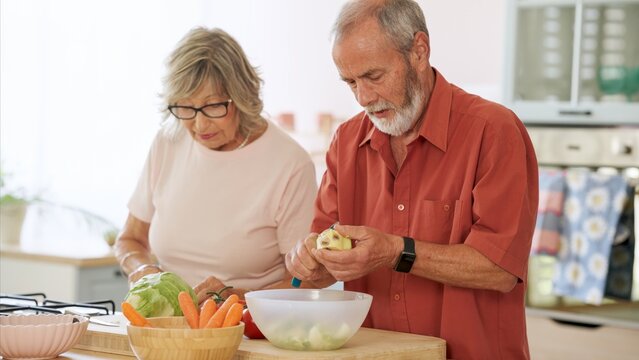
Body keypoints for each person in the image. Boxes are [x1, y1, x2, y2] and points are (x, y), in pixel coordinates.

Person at [285, 1, 538, 359]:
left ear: (419, 50)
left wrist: (395, 251)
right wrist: (308, 261)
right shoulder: (346, 142)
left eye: (374, 76)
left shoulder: (493, 131)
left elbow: (500, 269)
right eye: (350, 82)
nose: (364, 97)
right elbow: (322, 267)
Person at [115, 27, 318, 304]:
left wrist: (242, 298)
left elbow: (304, 279)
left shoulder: (290, 164)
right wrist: (142, 270)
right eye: (185, 107)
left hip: (248, 327)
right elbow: (129, 240)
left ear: (243, 97)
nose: (199, 125)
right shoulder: (169, 140)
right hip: (169, 326)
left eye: (213, 107)